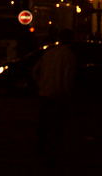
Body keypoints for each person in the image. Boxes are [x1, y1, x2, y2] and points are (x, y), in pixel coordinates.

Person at [32, 29, 77, 163]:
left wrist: (41, 83)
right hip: (59, 94)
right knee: (57, 125)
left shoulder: (49, 53)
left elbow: (34, 71)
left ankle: (41, 150)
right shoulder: (69, 55)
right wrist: (66, 90)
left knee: (44, 124)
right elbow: (68, 76)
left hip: (45, 93)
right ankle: (54, 152)